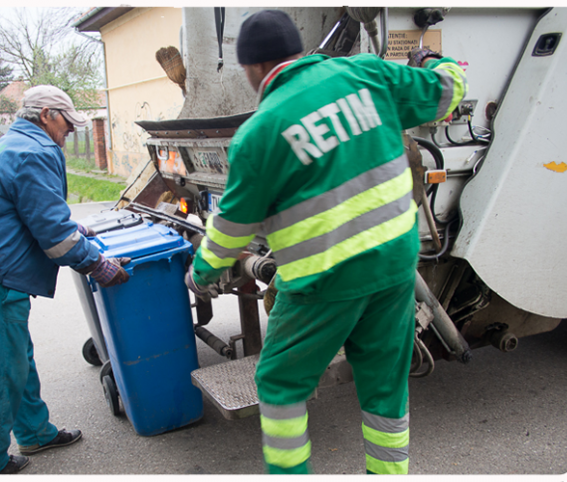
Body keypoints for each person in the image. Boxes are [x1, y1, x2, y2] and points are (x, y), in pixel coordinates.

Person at [184, 10, 468, 475]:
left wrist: (202, 274)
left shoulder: (261, 131)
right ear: (297, 50)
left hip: (324, 281)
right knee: (384, 388)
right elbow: (447, 90)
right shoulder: (366, 73)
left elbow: (232, 227)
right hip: (395, 269)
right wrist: (439, 60)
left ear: (253, 69)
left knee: (279, 385)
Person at [0, 84, 131, 475]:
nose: (70, 131)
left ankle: (34, 431)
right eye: (67, 122)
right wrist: (97, 264)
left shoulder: (16, 142)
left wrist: (75, 230)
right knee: (1, 365)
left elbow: (35, 211)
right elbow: (54, 236)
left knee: (17, 355)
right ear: (48, 114)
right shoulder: (35, 151)